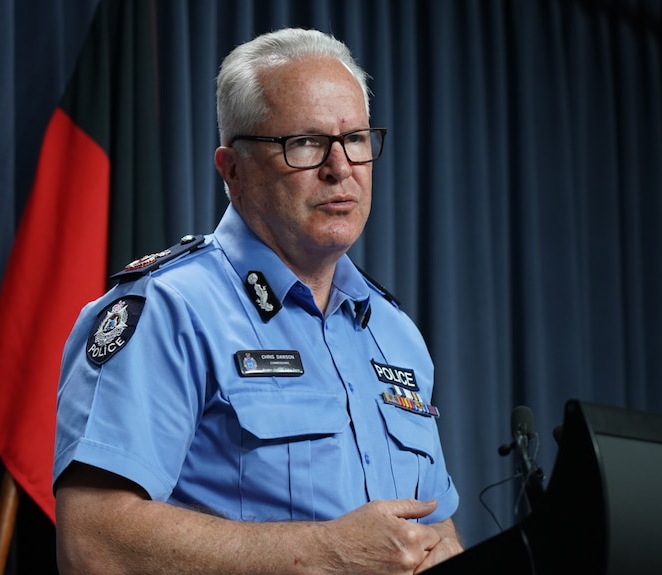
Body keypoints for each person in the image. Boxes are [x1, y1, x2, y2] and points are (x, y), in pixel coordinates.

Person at [53, 27, 463, 575]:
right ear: (233, 170)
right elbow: (92, 542)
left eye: (356, 139)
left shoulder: (395, 333)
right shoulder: (169, 308)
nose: (340, 168)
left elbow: (438, 530)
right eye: (307, 143)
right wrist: (326, 554)